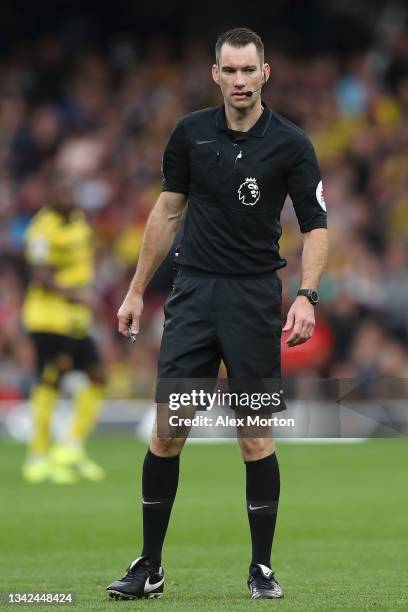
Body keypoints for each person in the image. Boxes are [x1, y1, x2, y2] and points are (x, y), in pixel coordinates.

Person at [107, 27, 328, 600]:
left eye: (247, 70)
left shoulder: (291, 144)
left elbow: (316, 225)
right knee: (168, 431)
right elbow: (167, 211)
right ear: (215, 74)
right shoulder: (189, 135)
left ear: (265, 73)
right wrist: (135, 292)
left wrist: (307, 294)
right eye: (228, 71)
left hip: (254, 298)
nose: (238, 80)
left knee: (254, 438)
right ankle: (149, 566)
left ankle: (261, 568)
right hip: (194, 298)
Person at [21, 173, 106, 484]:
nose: (67, 198)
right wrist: (78, 294)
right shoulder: (43, 228)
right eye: (61, 193)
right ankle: (37, 457)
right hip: (48, 318)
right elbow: (40, 275)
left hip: (76, 319)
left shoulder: (80, 221)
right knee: (50, 382)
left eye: (71, 192)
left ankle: (69, 448)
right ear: (51, 196)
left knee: (98, 376)